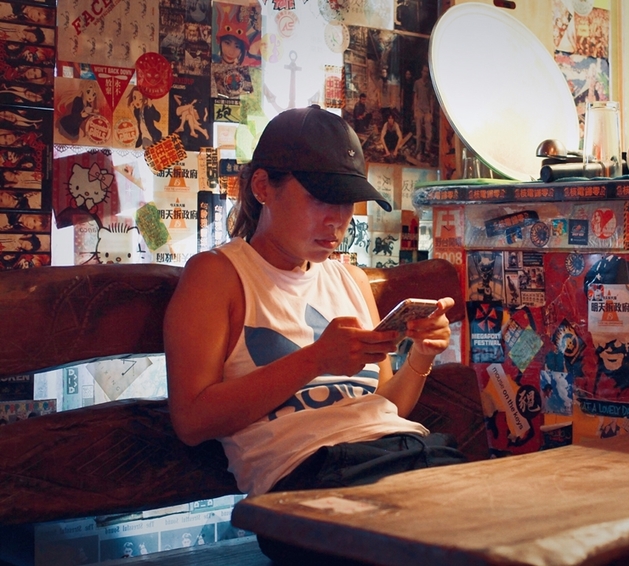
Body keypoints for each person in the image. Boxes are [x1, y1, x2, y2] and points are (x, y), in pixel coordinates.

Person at [163, 105, 466, 562]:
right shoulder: (218, 275)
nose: (337, 220)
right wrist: (316, 359)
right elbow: (191, 420)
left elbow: (385, 405)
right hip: (308, 481)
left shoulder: (350, 280)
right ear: (263, 187)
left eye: (347, 202)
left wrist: (422, 355)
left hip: (409, 452)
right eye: (322, 198)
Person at [413, 64, 435, 160]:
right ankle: (418, 150)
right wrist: (415, 110)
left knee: (429, 134)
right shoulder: (417, 83)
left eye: (427, 72)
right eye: (424, 71)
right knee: (418, 134)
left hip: (427, 111)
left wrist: (431, 113)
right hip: (419, 109)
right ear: (422, 72)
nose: (425, 73)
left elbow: (431, 98)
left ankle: (427, 150)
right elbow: (415, 97)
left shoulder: (429, 84)